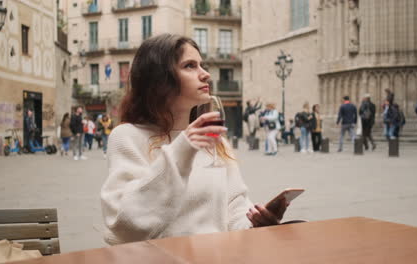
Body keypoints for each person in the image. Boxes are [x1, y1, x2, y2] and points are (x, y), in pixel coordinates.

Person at [100, 34, 290, 245]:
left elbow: (235, 210)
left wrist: (255, 223)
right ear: (160, 79)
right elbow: (126, 225)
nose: (206, 74)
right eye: (190, 66)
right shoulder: (127, 137)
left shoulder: (214, 142)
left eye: (202, 65)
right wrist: (183, 148)